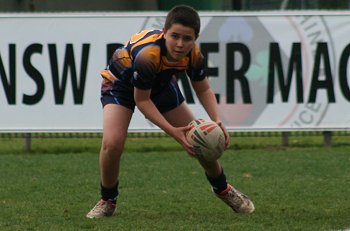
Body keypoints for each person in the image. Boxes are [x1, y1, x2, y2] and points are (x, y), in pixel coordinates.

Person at [86, 4, 254, 218]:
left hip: (161, 85)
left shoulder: (193, 53)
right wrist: (174, 132)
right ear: (164, 32)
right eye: (175, 36)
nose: (180, 44)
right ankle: (107, 200)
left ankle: (223, 189)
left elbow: (203, 88)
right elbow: (142, 101)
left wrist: (217, 120)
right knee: (112, 144)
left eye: (187, 38)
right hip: (120, 86)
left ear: (195, 38)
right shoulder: (148, 55)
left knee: (202, 136)